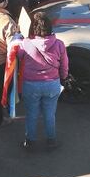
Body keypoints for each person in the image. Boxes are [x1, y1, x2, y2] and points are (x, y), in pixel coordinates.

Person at [16, 12, 68, 151]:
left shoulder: (25, 44)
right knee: (50, 114)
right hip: (52, 84)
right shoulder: (59, 44)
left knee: (31, 114)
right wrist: (63, 78)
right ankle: (51, 140)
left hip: (30, 85)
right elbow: (64, 66)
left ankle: (30, 141)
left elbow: (19, 56)